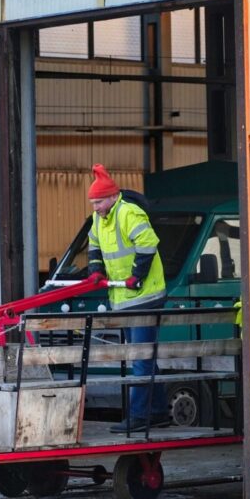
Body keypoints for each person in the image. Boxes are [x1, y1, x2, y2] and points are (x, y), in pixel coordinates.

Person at [84, 164, 170, 433]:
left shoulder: (128, 212)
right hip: (125, 297)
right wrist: (96, 270)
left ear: (112, 197)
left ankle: (139, 416)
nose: (95, 206)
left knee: (140, 358)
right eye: (93, 202)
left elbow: (148, 244)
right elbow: (94, 246)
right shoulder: (100, 218)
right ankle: (156, 411)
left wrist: (137, 275)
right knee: (143, 356)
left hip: (144, 295)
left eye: (98, 201)